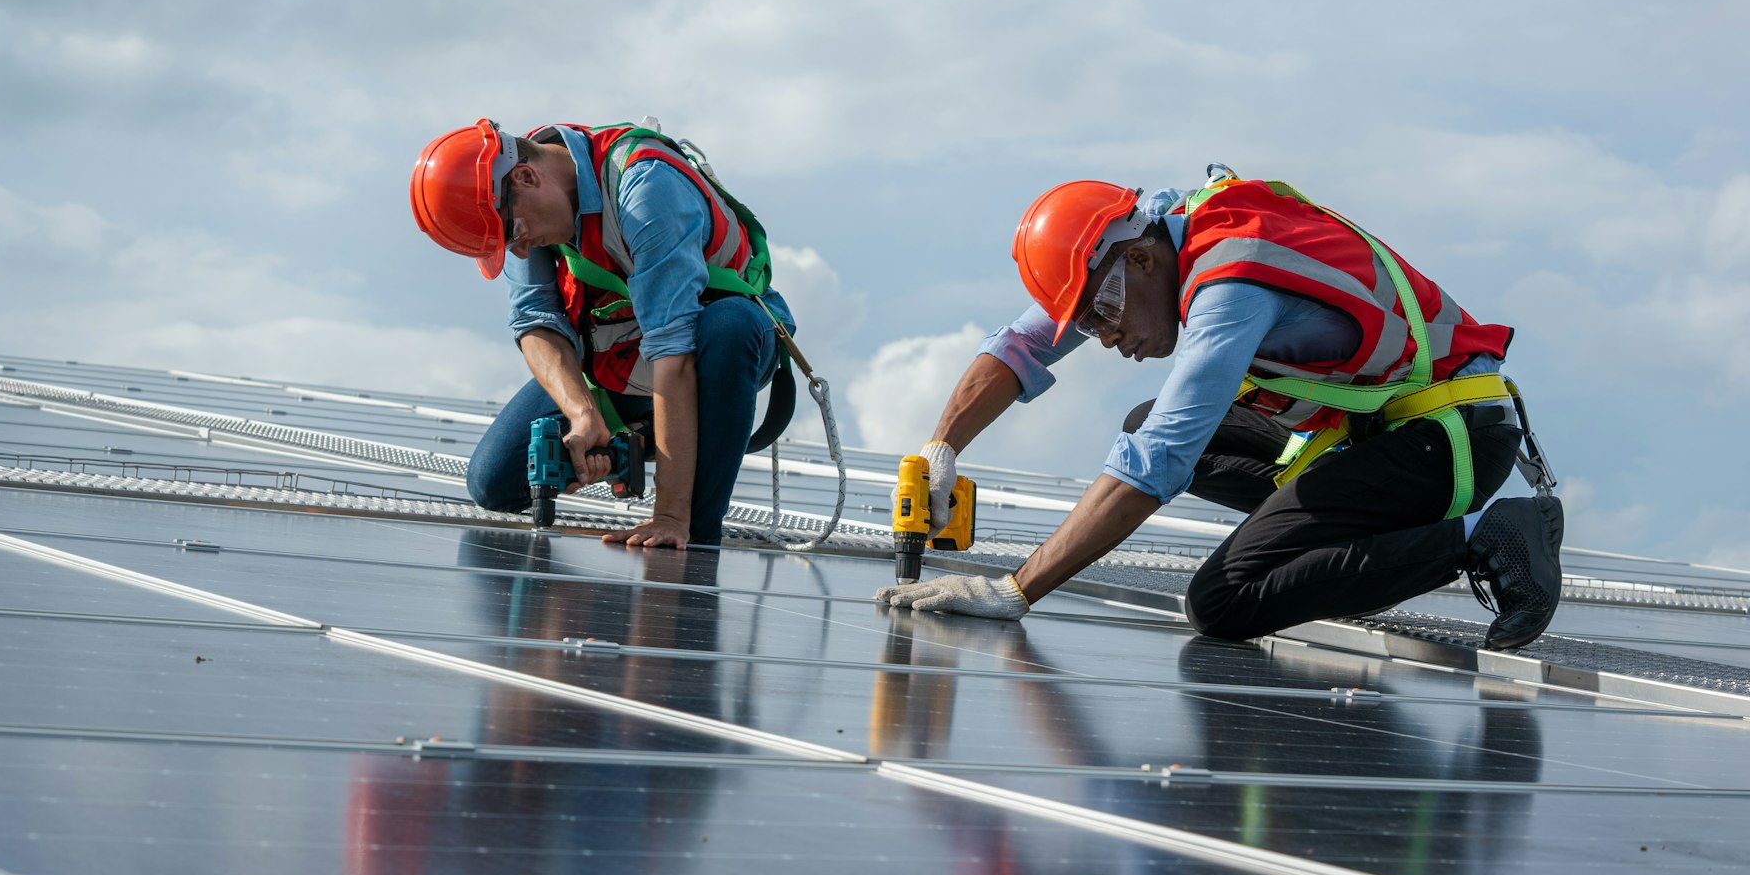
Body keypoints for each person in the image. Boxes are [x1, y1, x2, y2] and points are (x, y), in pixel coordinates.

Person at [877, 169, 1563, 650]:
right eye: (1089, 325)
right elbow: (1025, 341)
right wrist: (943, 449)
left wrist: (1016, 590)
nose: (1108, 338)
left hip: (1449, 440)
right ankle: (1342, 548)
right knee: (1142, 418)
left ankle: (1487, 535)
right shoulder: (1167, 224)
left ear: (1143, 262)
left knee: (1224, 601)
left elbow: (1159, 462)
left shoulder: (1230, 284)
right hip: (1378, 433)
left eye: (1107, 313)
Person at [409, 118, 795, 549]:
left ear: (527, 176)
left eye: (514, 234)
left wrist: (668, 516)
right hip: (620, 362)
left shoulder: (645, 189)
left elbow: (674, 351)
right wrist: (582, 412)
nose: (519, 251)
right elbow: (534, 321)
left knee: (730, 328)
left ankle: (697, 538)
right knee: (493, 483)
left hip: (709, 350)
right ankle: (640, 439)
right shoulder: (512, 206)